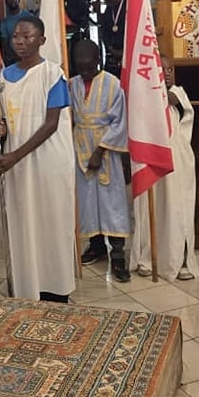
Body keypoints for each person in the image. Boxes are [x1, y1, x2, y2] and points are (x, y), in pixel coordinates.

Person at [0, 16, 75, 302]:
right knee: (23, 221)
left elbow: (51, 124)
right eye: (16, 36)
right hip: (18, 161)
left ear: (42, 40)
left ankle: (56, 289)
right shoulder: (3, 77)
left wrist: (14, 155)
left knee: (51, 221)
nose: (20, 41)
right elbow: (6, 121)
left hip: (48, 160)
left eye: (27, 36)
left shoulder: (52, 74)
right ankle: (28, 286)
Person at [131, 54, 199, 281]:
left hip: (178, 161)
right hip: (153, 160)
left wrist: (150, 90)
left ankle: (180, 259)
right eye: (162, 70)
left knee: (178, 210)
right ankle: (148, 257)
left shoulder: (177, 92)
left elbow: (168, 98)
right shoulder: (145, 97)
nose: (168, 74)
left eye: (170, 70)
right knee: (153, 210)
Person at [70, 40, 131, 283]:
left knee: (111, 202)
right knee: (87, 201)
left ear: (98, 60)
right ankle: (95, 246)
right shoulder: (71, 84)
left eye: (88, 67)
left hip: (106, 149)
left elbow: (120, 121)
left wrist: (100, 151)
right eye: (80, 67)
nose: (84, 72)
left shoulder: (113, 84)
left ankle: (117, 255)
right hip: (80, 146)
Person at [96, 0, 125, 78]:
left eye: (108, 0)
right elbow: (104, 30)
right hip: (112, 54)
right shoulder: (109, 9)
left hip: (126, 53)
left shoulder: (127, 7)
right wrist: (110, 48)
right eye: (105, 0)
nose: (107, 3)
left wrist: (124, 51)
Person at [0, 0, 29, 66]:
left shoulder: (29, 17)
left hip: (29, 56)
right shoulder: (4, 23)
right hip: (13, 60)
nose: (12, 0)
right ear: (6, 2)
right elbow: (5, 44)